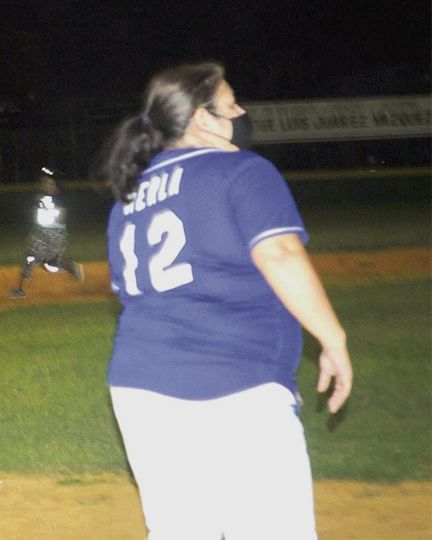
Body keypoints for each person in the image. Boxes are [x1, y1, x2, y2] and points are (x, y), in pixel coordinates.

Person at [95, 62, 352, 539]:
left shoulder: (126, 199)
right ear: (201, 119)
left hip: (139, 386)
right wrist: (332, 338)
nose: (242, 112)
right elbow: (279, 252)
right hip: (235, 383)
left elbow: (130, 294)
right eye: (231, 104)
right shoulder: (241, 169)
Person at [9, 167, 85, 299]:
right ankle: (20, 290)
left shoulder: (60, 198)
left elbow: (61, 217)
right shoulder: (40, 196)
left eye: (48, 182)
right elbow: (37, 217)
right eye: (44, 181)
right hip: (40, 232)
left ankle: (71, 267)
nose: (44, 184)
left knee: (50, 265)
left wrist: (50, 209)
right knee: (31, 257)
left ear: (55, 184)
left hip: (56, 235)